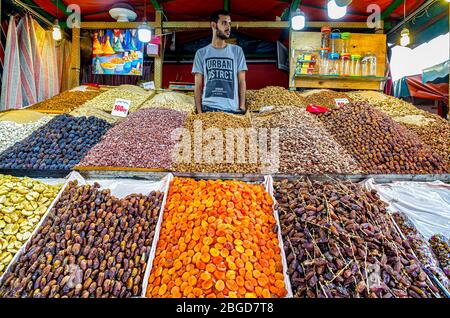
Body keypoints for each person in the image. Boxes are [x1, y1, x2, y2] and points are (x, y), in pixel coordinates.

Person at [192, 10, 248, 114]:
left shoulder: (237, 51)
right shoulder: (201, 53)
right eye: (224, 23)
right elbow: (198, 85)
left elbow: (242, 81)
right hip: (208, 109)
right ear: (213, 25)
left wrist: (242, 106)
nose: (228, 27)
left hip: (231, 110)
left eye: (229, 23)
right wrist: (199, 112)